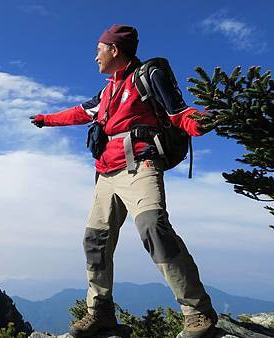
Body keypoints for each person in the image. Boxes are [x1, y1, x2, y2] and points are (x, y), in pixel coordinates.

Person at [30, 24, 217, 338]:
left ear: (114, 49)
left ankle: (198, 313)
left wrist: (199, 123)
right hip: (105, 173)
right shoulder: (107, 91)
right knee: (95, 240)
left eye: (99, 49)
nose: (95, 57)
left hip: (140, 165)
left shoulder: (148, 76)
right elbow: (80, 112)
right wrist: (46, 119)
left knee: (153, 227)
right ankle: (100, 313)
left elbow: (178, 112)